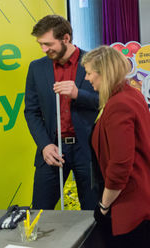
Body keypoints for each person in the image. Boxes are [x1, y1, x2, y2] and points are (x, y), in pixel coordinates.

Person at [82, 46, 150, 247]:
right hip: (139, 193)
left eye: (89, 73)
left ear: (104, 73)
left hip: (128, 200)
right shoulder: (129, 94)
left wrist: (103, 205)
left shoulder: (118, 104)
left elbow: (120, 165)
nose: (86, 78)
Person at [24, 15, 98, 210]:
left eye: (48, 44)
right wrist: (44, 145)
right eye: (40, 44)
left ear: (66, 38)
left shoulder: (95, 63)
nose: (43, 49)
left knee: (94, 214)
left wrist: (78, 94)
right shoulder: (36, 68)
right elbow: (31, 111)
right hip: (52, 149)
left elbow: (107, 102)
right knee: (40, 212)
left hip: (88, 151)